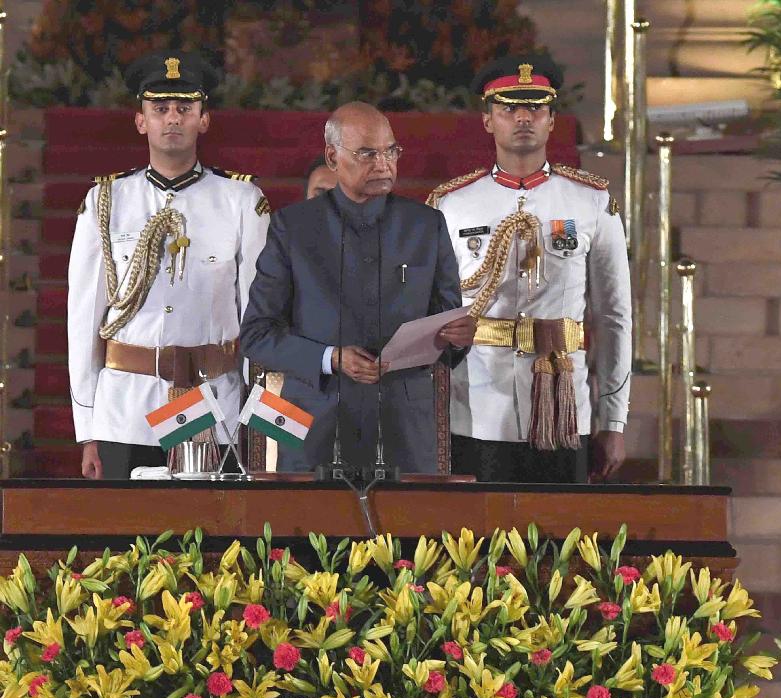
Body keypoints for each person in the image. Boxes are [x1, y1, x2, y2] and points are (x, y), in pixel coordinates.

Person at [240, 102, 475, 474]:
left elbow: (446, 330)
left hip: (404, 430)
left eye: (391, 151)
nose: (383, 164)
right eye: (367, 153)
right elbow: (256, 335)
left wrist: (459, 337)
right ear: (333, 158)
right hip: (313, 428)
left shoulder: (425, 226)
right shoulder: (293, 227)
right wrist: (330, 358)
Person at [429, 55, 632, 483]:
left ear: (552, 120)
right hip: (478, 406)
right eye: (509, 109)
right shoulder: (452, 204)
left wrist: (613, 421)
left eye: (536, 108)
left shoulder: (591, 201)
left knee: (560, 522)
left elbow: (614, 318)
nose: (523, 118)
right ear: (488, 120)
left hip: (563, 403)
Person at [68, 50, 269, 479]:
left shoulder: (240, 201)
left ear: (204, 119)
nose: (172, 118)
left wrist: (260, 423)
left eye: (184, 108)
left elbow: (258, 316)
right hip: (124, 409)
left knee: (207, 522)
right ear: (141, 121)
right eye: (160, 109)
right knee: (125, 522)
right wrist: (87, 429)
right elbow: (83, 319)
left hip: (212, 403)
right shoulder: (106, 201)